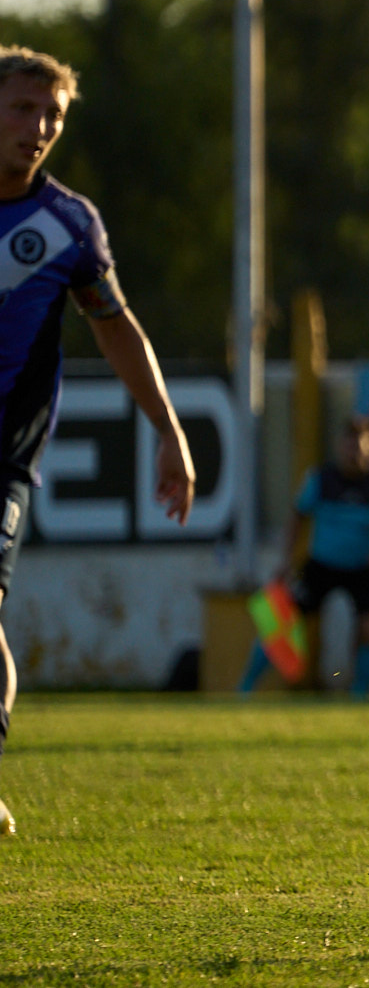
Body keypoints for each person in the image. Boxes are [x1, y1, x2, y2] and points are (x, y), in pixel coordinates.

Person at [0, 50, 194, 838]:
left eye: (52, 115)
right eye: (21, 109)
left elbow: (116, 329)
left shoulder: (68, 224)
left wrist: (171, 432)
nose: (38, 128)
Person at [261, 416, 369, 698]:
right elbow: (296, 519)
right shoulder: (320, 478)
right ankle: (247, 687)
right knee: (277, 614)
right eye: (348, 444)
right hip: (322, 564)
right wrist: (286, 560)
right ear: (339, 446)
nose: (353, 451)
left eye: (360, 445)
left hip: (365, 566)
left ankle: (359, 692)